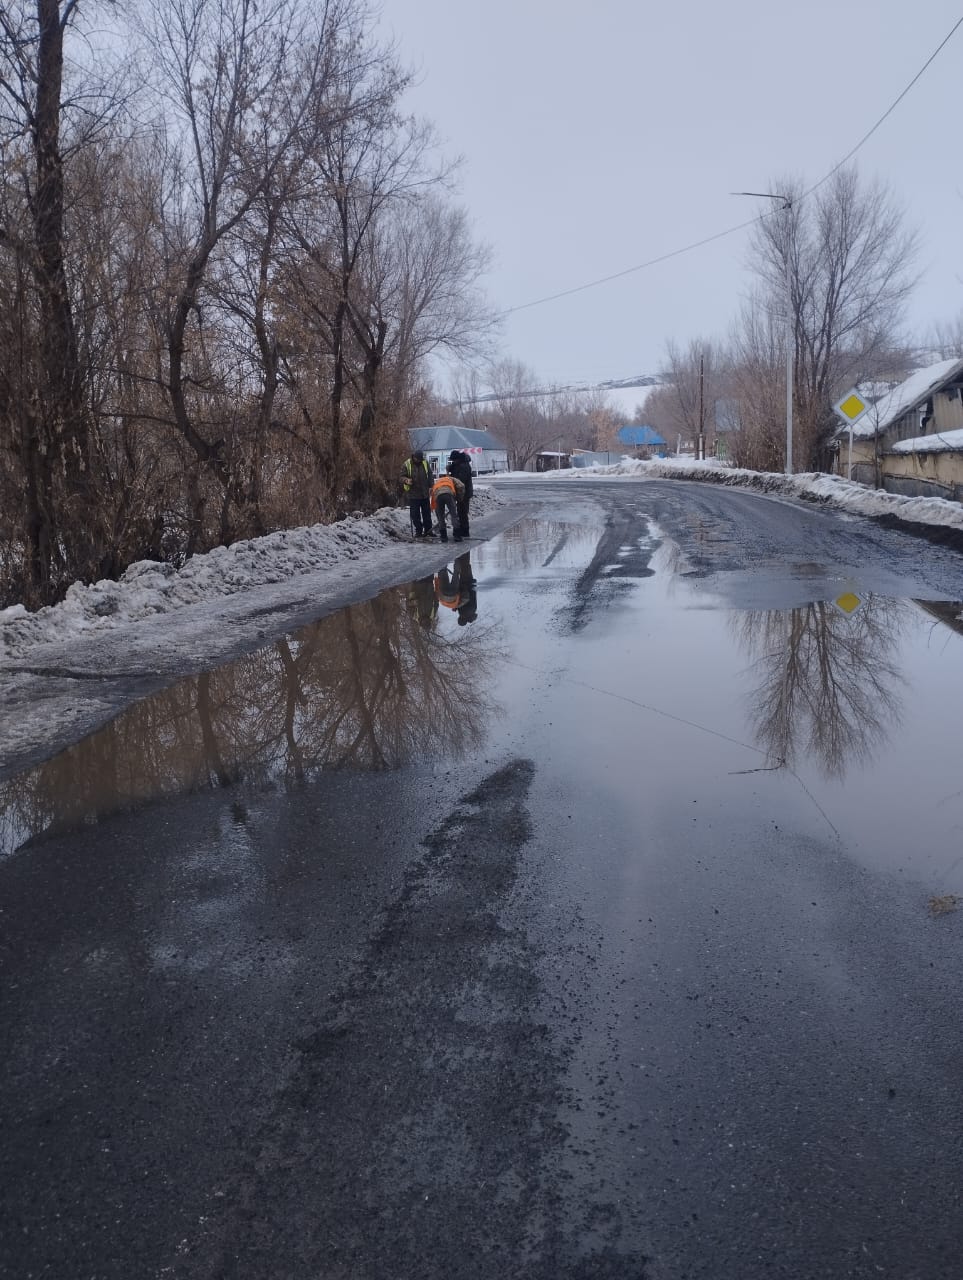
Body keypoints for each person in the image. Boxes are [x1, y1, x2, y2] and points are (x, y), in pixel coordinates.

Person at [434, 552, 477, 625]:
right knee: (462, 568)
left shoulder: (472, 611)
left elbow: (473, 596)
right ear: (460, 619)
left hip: (469, 585)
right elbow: (464, 600)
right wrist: (456, 607)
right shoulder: (463, 612)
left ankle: (464, 552)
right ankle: (461, 553)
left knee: (466, 566)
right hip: (465, 586)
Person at [400, 449, 433, 538]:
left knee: (427, 514)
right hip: (413, 494)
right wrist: (406, 480)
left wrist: (431, 486)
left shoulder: (425, 463)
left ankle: (428, 530)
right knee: (415, 515)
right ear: (414, 457)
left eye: (420, 459)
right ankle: (419, 531)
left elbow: (430, 474)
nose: (419, 461)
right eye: (418, 459)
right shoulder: (406, 464)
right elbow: (401, 477)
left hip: (425, 493)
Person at [430, 470, 465, 542]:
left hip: (437, 496)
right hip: (448, 494)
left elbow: (432, 493)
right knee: (453, 515)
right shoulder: (452, 479)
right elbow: (461, 486)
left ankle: (443, 536)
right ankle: (457, 535)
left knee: (440, 517)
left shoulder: (438, 482)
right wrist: (460, 498)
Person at [447, 450, 474, 537]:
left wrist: (452, 479)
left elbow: (460, 481)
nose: (453, 462)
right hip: (460, 492)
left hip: (464, 492)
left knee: (463, 512)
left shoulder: (464, 466)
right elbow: (454, 468)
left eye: (454, 460)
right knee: (460, 511)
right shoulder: (458, 464)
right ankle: (462, 530)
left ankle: (465, 531)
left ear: (457, 459)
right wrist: (450, 468)